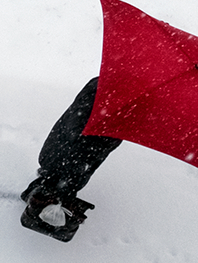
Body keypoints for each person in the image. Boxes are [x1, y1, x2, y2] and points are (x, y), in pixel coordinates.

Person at [20, 77, 122, 242]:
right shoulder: (106, 90)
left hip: (88, 139)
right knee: (69, 161)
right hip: (80, 141)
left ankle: (51, 191)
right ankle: (48, 191)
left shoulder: (111, 90)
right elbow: (75, 129)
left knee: (71, 164)